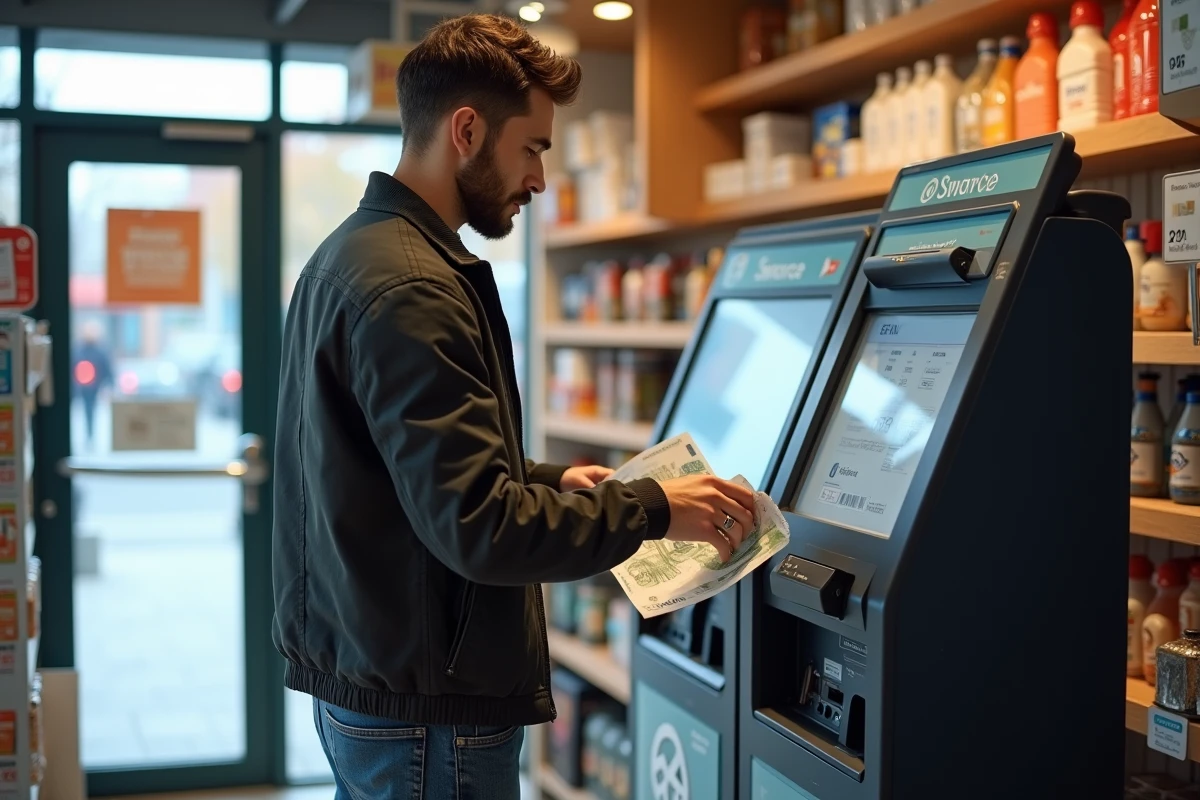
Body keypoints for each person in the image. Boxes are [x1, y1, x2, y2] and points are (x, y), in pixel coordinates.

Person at [271, 13, 757, 799]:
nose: (539, 178)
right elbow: (480, 528)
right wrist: (653, 511)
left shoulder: (352, 256)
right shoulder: (416, 287)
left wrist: (545, 479)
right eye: (532, 147)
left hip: (376, 673)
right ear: (466, 130)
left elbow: (389, 464)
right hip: (428, 708)